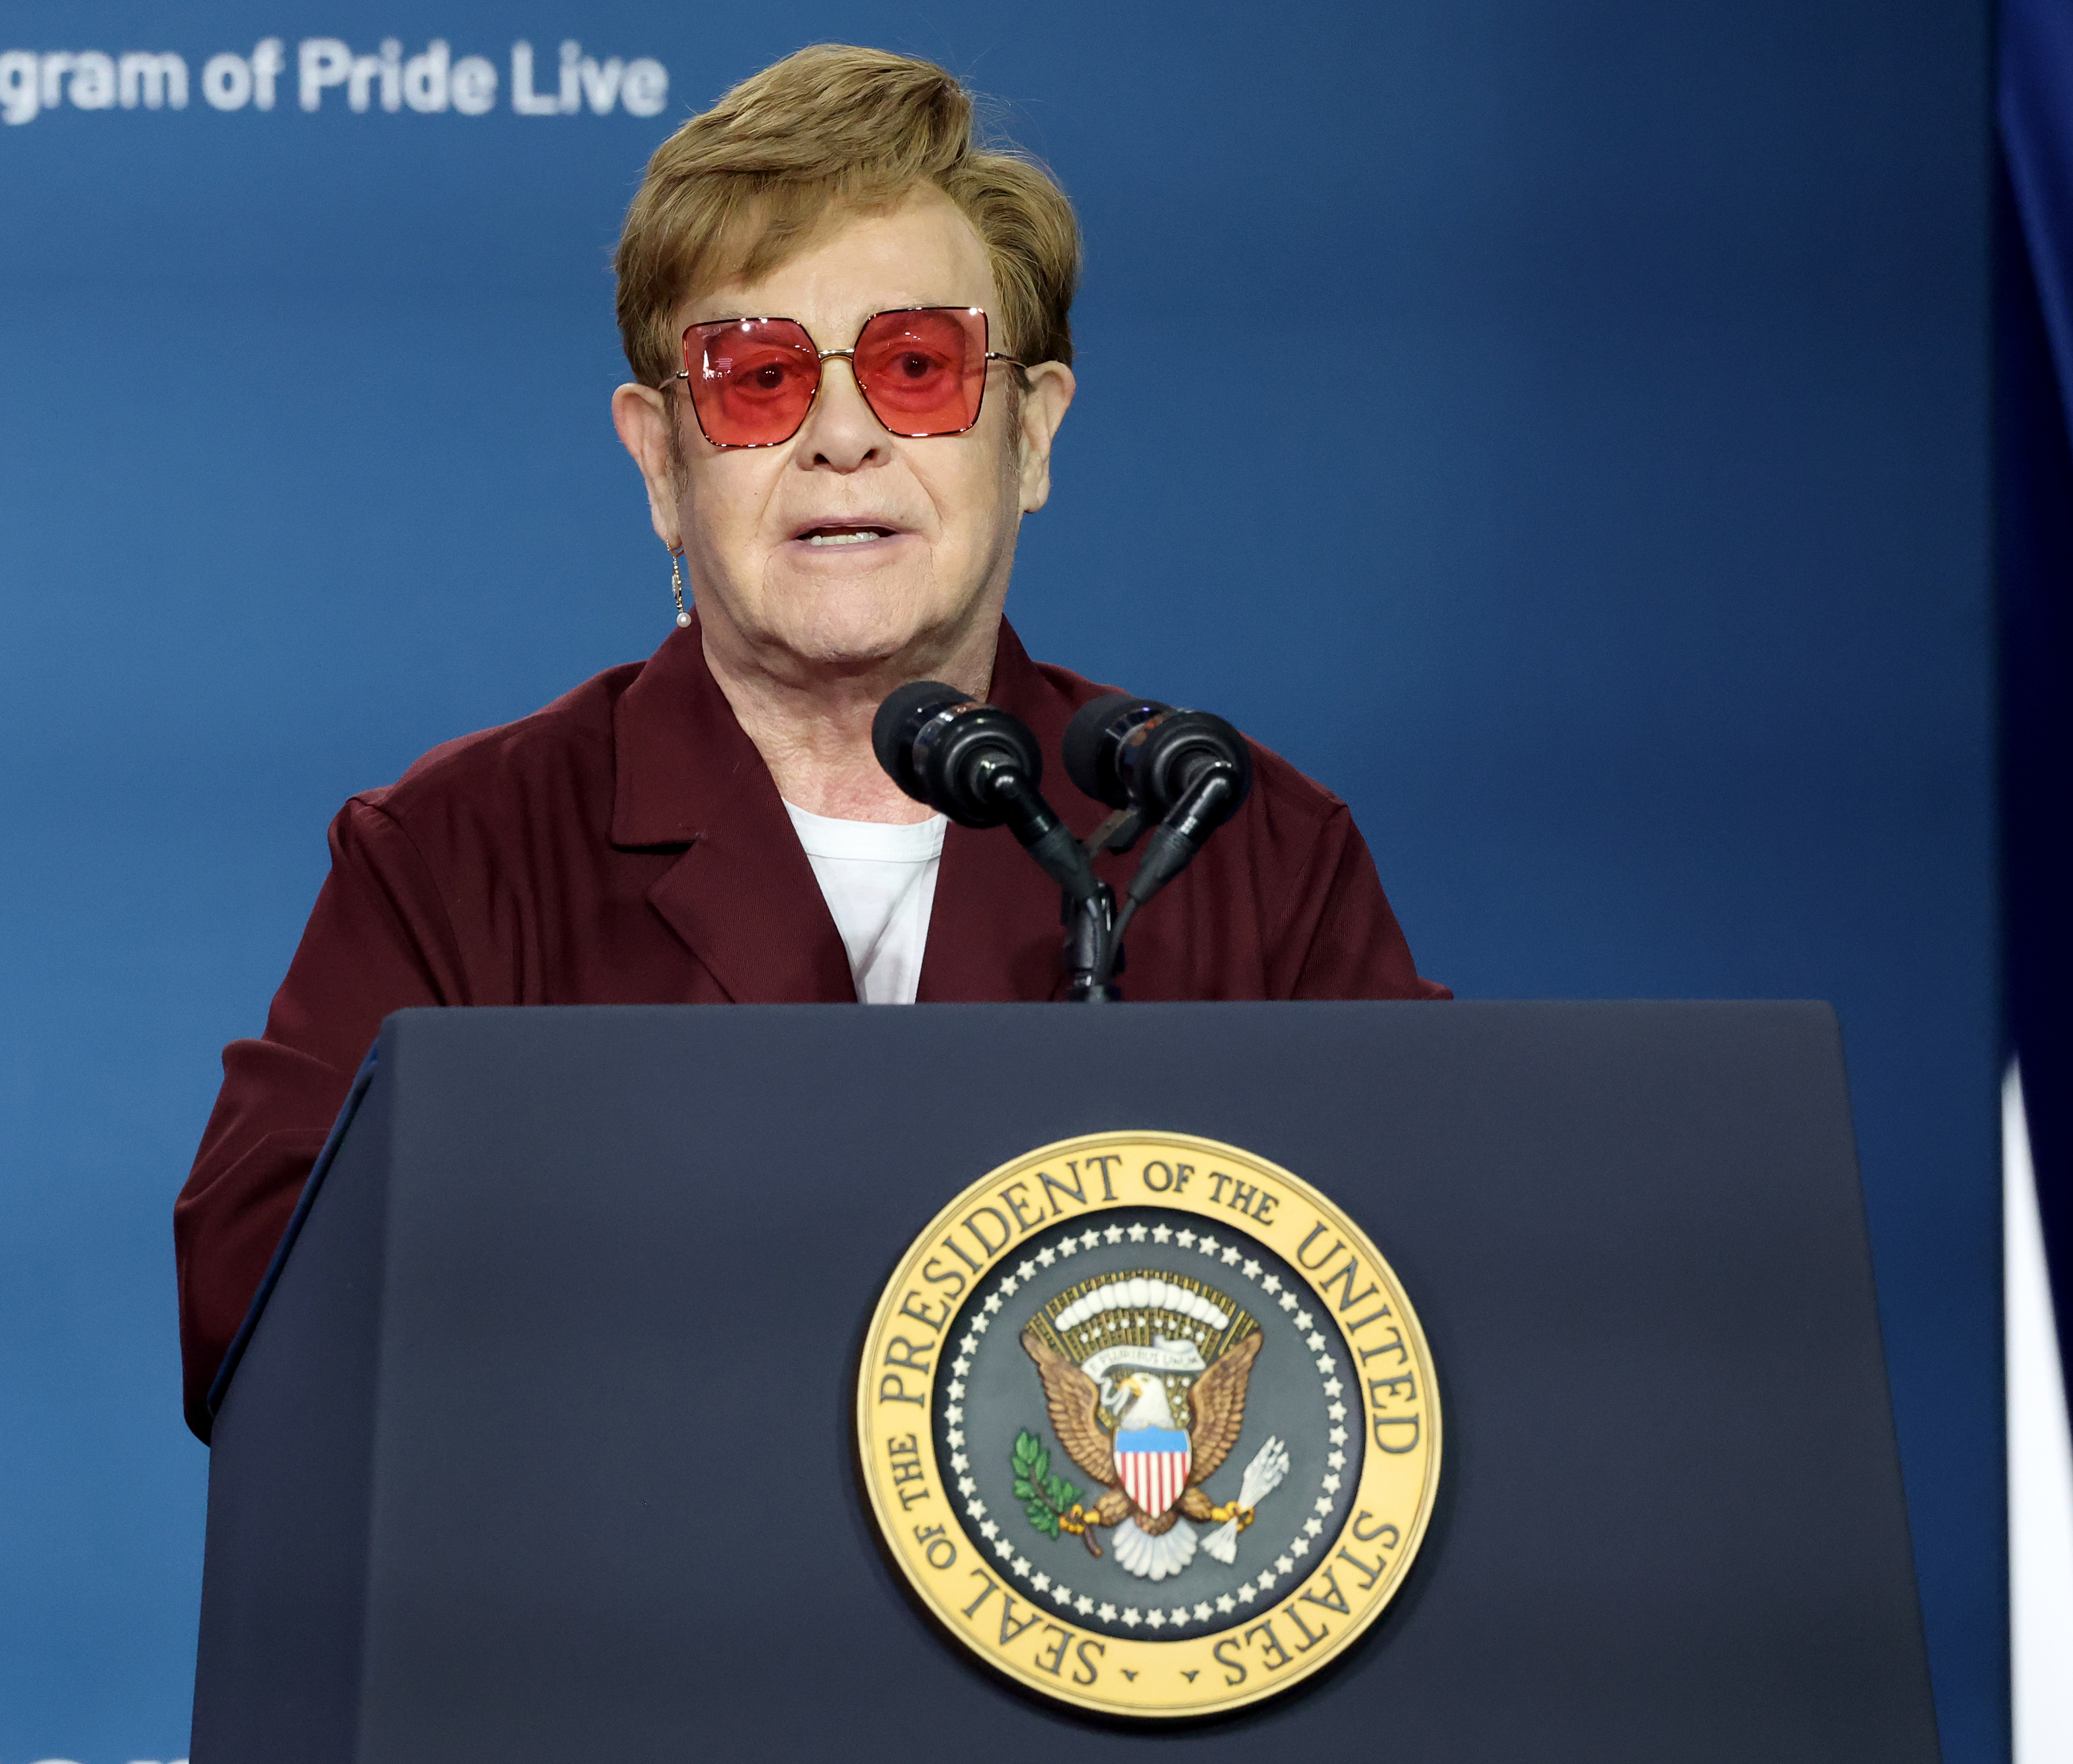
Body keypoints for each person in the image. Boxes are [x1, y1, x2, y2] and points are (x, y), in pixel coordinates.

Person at [172, 44, 1448, 1440]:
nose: (841, 434)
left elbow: (1439, 1307)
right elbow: (259, 1297)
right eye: (758, 378)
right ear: (662, 464)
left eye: (916, 365)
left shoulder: (1234, 844)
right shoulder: (461, 858)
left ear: (1030, 432)